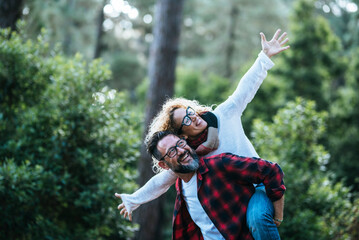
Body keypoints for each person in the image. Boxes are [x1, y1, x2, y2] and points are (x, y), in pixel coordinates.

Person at [115, 29, 289, 239]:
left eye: (190, 111)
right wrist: (133, 200)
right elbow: (161, 182)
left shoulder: (222, 115)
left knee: (257, 219)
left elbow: (245, 88)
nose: (194, 117)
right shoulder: (191, 155)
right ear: (183, 135)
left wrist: (264, 57)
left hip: (257, 183)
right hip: (235, 199)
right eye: (186, 120)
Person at [146, 131, 285, 239]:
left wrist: (278, 216)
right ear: (164, 165)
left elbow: (271, 170)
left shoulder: (219, 164)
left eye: (180, 144)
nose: (181, 151)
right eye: (172, 151)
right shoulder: (181, 194)